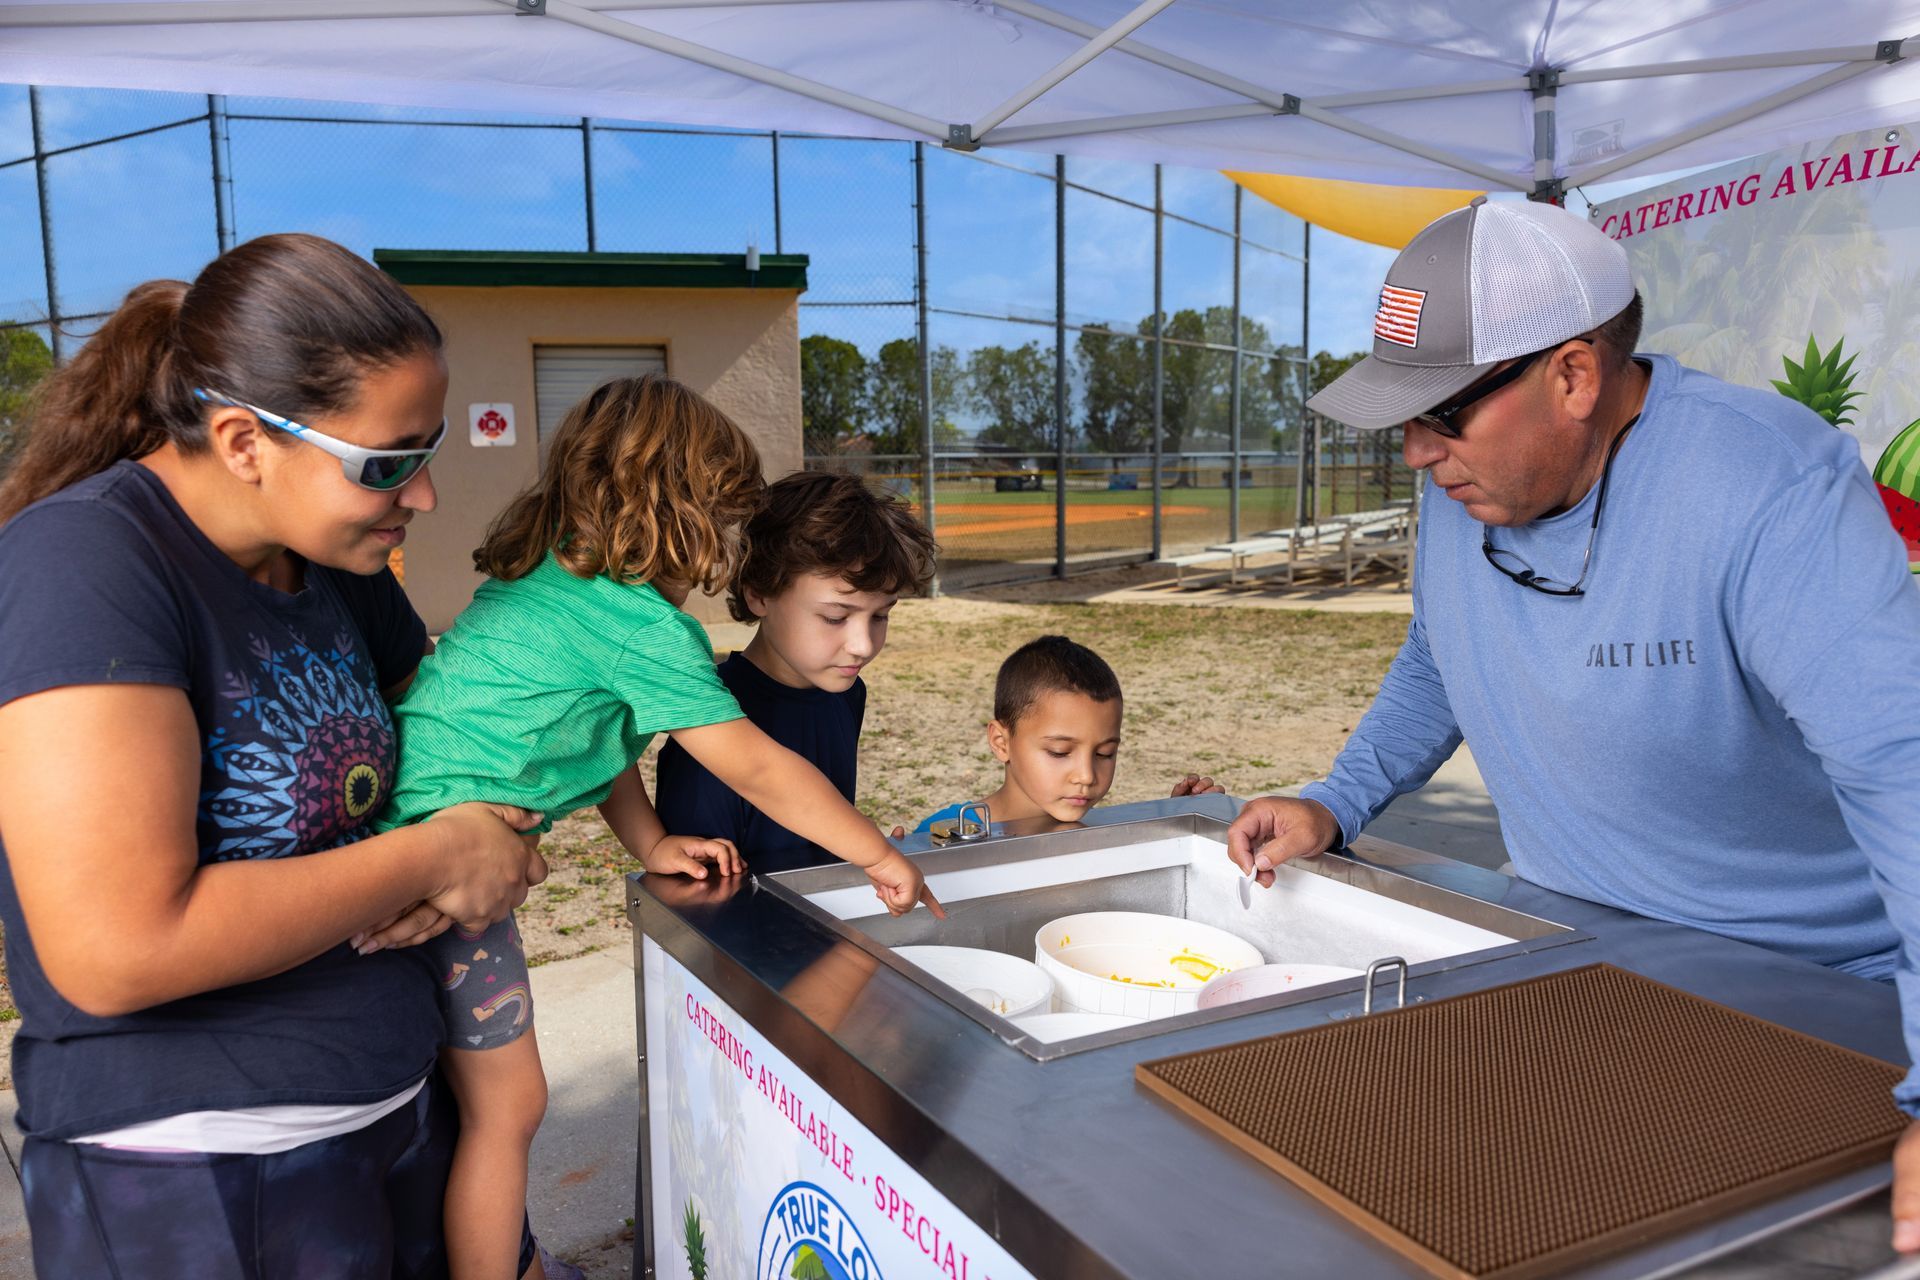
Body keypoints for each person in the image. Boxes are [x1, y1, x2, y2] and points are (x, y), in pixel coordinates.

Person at [1221, 197, 1920, 1249]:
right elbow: (1439, 653)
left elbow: (1903, 766)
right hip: (1575, 962)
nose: (1415, 452)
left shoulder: (1763, 484)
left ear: (1575, 375)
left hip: (1811, 996)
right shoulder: (1470, 491)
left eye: (1444, 413)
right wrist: (1337, 797)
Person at [0, 234, 548, 1277]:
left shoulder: (330, 559)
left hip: (398, 1112)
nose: (422, 497)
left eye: (426, 453)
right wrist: (437, 855)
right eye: (387, 463)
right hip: (206, 1178)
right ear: (246, 438)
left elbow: (452, 737)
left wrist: (505, 817)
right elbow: (117, 946)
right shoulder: (88, 563)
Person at [373, 375, 944, 1279]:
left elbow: (591, 739)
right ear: (677, 513)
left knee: (448, 1106)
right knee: (506, 1107)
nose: (725, 547)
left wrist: (647, 843)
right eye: (721, 520)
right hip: (428, 870)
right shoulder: (646, 631)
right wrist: (876, 851)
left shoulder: (555, 585)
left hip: (410, 840)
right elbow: (756, 765)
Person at [655, 470, 938, 873]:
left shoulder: (847, 693)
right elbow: (695, 889)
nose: (863, 645)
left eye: (880, 616)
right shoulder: (708, 722)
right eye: (835, 617)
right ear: (759, 593)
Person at [916, 635, 1221, 832]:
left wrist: (1174, 821)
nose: (1086, 776)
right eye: (1060, 752)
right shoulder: (944, 834)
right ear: (1001, 742)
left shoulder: (1101, 832)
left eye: (1104, 754)